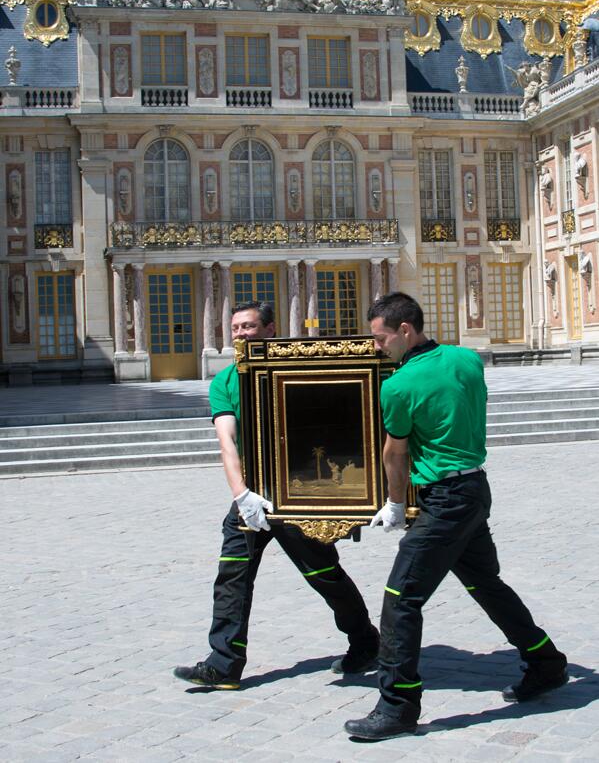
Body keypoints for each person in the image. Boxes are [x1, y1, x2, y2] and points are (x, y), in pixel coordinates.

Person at [344, 292, 568, 741]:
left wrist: (392, 503)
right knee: (486, 583)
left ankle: (398, 705)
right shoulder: (467, 360)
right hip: (474, 487)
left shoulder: (398, 384)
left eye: (379, 337)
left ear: (404, 330)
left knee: (400, 598)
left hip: (445, 499)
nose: (375, 347)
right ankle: (546, 662)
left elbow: (395, 451)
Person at [174, 301, 379, 689]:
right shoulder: (225, 381)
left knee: (323, 574)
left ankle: (365, 640)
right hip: (252, 495)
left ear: (270, 330)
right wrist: (242, 496)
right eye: (235, 328)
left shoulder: (299, 369)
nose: (240, 335)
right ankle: (224, 663)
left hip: (299, 492)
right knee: (232, 574)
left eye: (249, 327)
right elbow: (227, 442)